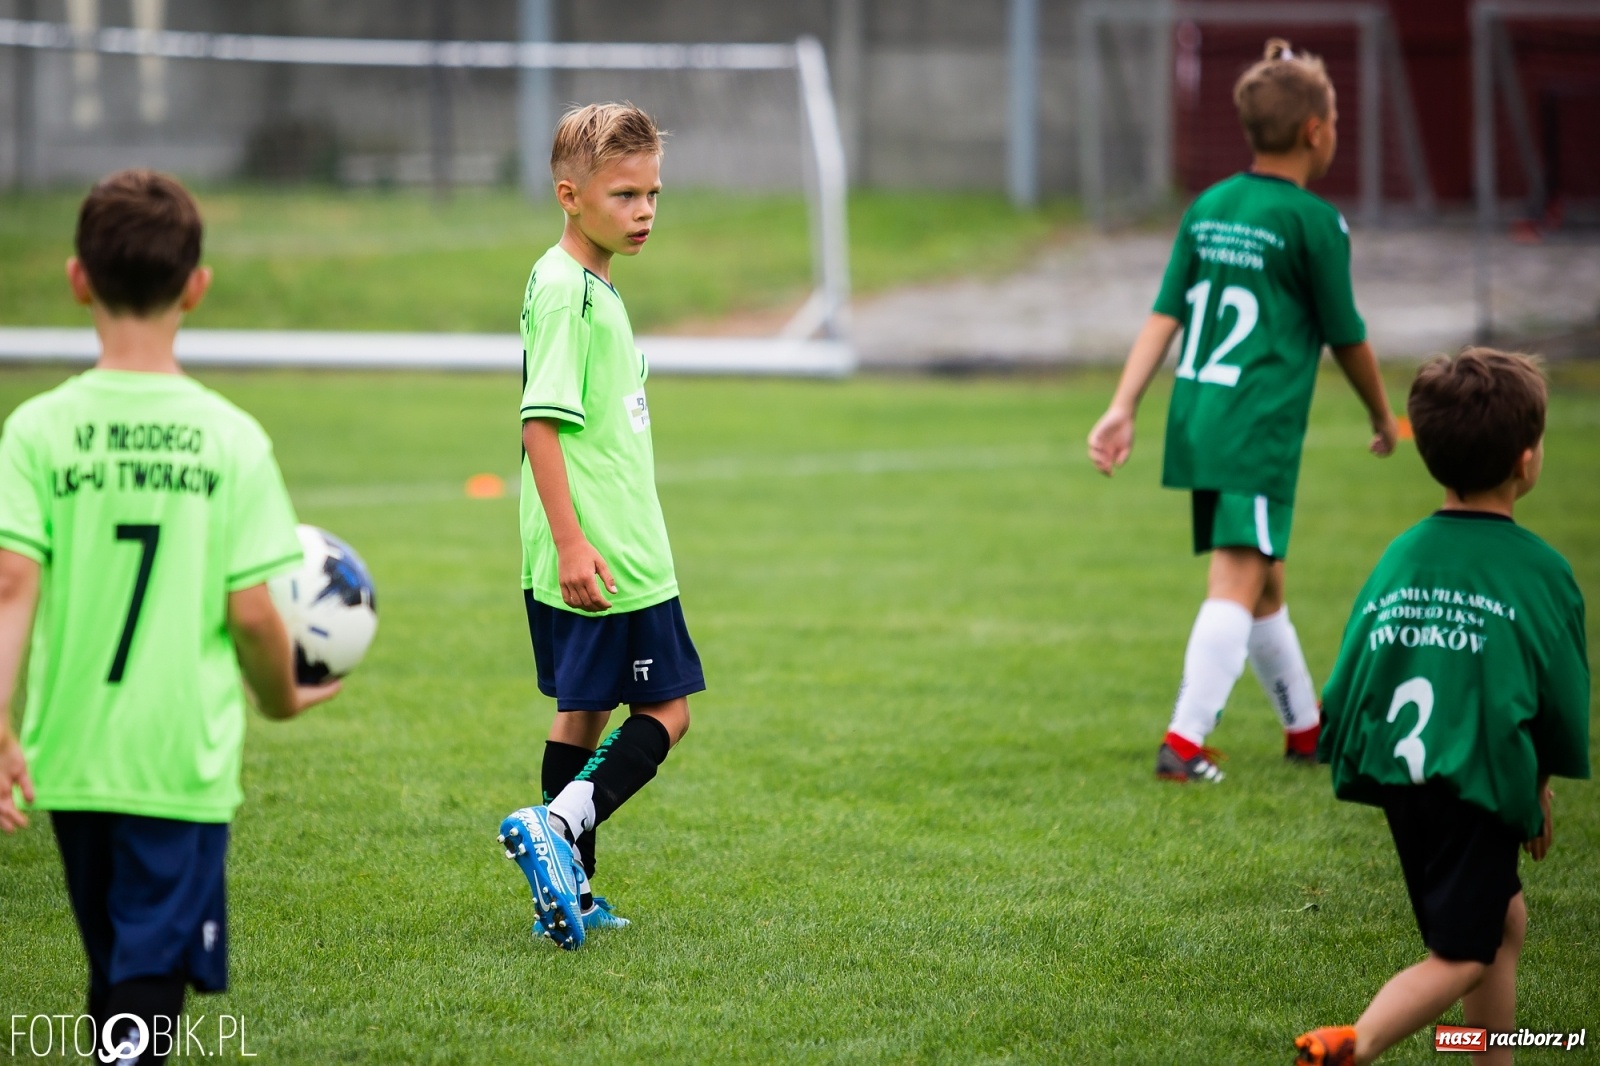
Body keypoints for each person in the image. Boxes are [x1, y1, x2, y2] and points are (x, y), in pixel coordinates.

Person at [0, 169, 339, 1064]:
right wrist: (283, 698)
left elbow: (8, 588)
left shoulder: (37, 429)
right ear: (197, 286)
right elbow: (257, 616)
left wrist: (0, 725)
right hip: (175, 756)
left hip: (68, 750)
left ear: (78, 279)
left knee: (116, 965)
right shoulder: (229, 438)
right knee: (146, 985)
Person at [1086, 38, 1398, 782]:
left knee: (1265, 581)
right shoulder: (1315, 224)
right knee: (1237, 574)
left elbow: (1164, 315)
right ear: (1316, 132)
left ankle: (1306, 733)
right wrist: (1383, 415)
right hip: (1256, 427)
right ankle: (1183, 745)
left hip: (1200, 417)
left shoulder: (1211, 205)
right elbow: (1346, 335)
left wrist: (1123, 405)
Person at [1294, 349, 1589, 1066]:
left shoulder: (1403, 553)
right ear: (1526, 462)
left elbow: (1355, 668)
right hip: (1477, 784)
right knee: (1462, 954)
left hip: (1407, 780)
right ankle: (1349, 1045)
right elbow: (1559, 701)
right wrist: (1540, 784)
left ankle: (1487, 1054)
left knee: (1503, 922)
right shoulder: (1541, 569)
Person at [497, 103, 703, 951]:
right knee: (669, 710)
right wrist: (577, 542)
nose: (645, 211)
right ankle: (558, 823)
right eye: (625, 195)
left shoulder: (589, 285)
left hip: (586, 543)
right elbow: (538, 424)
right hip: (605, 550)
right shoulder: (567, 293)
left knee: (580, 714)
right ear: (569, 195)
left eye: (653, 193)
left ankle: (572, 890)